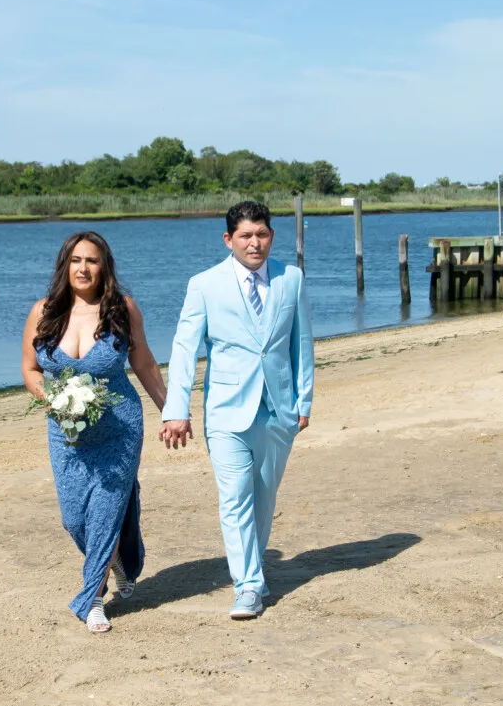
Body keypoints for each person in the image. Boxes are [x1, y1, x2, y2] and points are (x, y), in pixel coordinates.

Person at [160, 199, 314, 619]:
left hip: (278, 409)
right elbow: (184, 349)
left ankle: (252, 569)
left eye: (261, 234)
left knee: (263, 499)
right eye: (245, 235)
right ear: (228, 240)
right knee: (234, 499)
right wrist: (177, 409)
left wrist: (304, 400)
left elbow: (301, 344)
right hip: (226, 411)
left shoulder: (291, 279)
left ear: (272, 236)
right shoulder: (204, 285)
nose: (254, 243)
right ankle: (248, 585)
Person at [22, 231, 169, 633]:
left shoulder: (122, 309)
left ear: (105, 266)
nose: (83, 268)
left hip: (119, 429)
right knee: (74, 519)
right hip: (66, 433)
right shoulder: (43, 312)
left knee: (104, 514)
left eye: (92, 260)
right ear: (64, 266)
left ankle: (93, 599)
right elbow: (30, 369)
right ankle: (118, 559)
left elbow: (144, 363)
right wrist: (49, 398)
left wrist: (171, 411)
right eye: (75, 260)